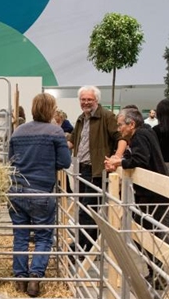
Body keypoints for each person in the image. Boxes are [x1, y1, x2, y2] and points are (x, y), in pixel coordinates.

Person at [8, 93, 72, 298]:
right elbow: (65, 162)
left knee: (20, 234)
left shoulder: (18, 131)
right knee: (44, 236)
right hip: (41, 190)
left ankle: (20, 279)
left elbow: (11, 159)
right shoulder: (55, 131)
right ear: (51, 109)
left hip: (16, 190)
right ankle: (35, 276)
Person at [104, 108, 169, 286]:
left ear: (131, 124)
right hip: (152, 194)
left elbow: (141, 159)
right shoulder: (145, 133)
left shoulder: (140, 136)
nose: (119, 129)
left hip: (152, 195)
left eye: (121, 125)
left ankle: (159, 273)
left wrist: (120, 162)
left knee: (147, 234)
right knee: (144, 232)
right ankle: (156, 272)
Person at [68, 85, 122, 253]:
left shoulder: (106, 116)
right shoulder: (80, 118)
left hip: (97, 170)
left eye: (89, 99)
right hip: (82, 169)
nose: (86, 102)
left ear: (96, 100)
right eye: (83, 99)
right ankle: (89, 247)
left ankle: (79, 247)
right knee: (86, 208)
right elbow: (72, 141)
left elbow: (121, 138)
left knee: (87, 208)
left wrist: (116, 157)